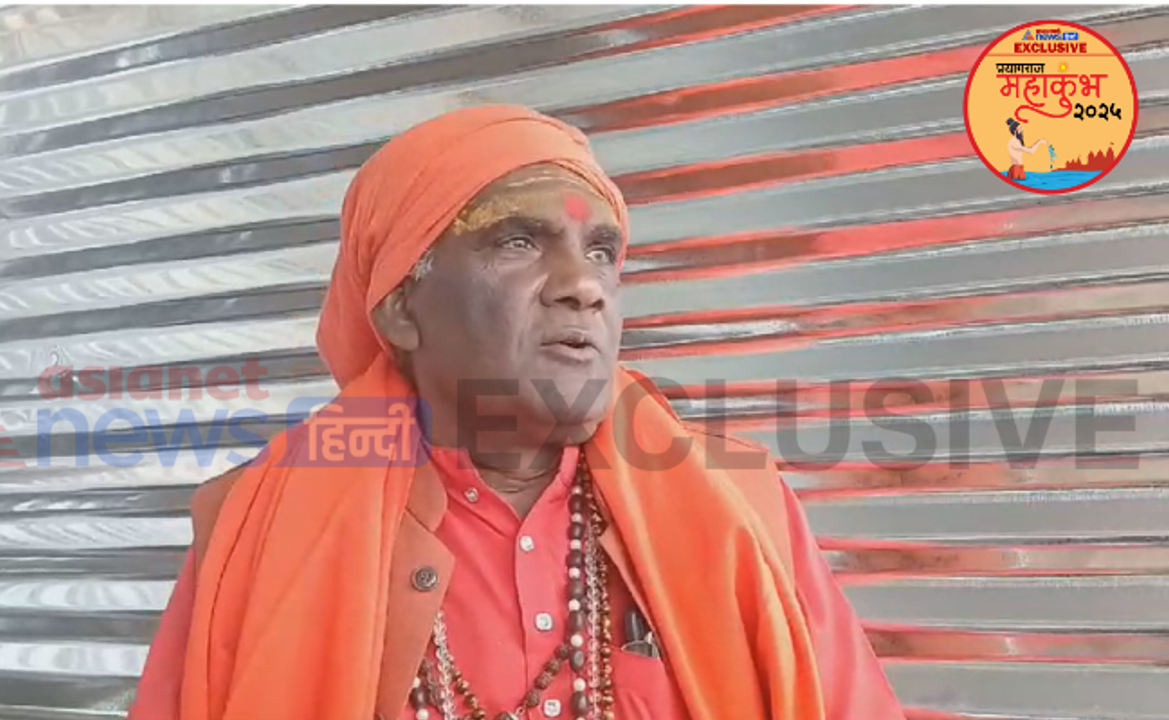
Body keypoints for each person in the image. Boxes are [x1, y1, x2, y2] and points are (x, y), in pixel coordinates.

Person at [126, 105, 906, 720]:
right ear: (401, 306)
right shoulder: (257, 527)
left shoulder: (742, 505)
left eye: (601, 252)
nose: (584, 286)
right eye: (519, 242)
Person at [1006, 117, 1048, 181]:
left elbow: (1028, 149)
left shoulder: (1017, 141)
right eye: (1019, 129)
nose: (1022, 130)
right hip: (1016, 170)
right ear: (1015, 131)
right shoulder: (1014, 142)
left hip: (1019, 168)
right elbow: (1031, 151)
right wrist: (1039, 141)